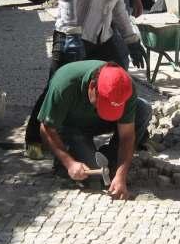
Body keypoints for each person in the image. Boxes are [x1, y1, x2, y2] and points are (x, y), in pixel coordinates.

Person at [24, 0, 148, 159]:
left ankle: (132, 135)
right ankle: (34, 138)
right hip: (71, 37)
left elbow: (120, 10)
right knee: (55, 88)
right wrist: (72, 35)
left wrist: (131, 39)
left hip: (101, 38)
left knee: (117, 82)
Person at [38, 60, 151, 200]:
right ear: (92, 87)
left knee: (143, 109)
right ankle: (66, 162)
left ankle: (109, 161)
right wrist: (70, 162)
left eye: (113, 108)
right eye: (103, 105)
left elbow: (127, 136)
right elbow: (46, 129)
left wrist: (121, 174)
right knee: (89, 177)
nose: (105, 111)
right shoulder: (64, 85)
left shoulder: (124, 87)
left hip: (98, 123)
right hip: (72, 128)